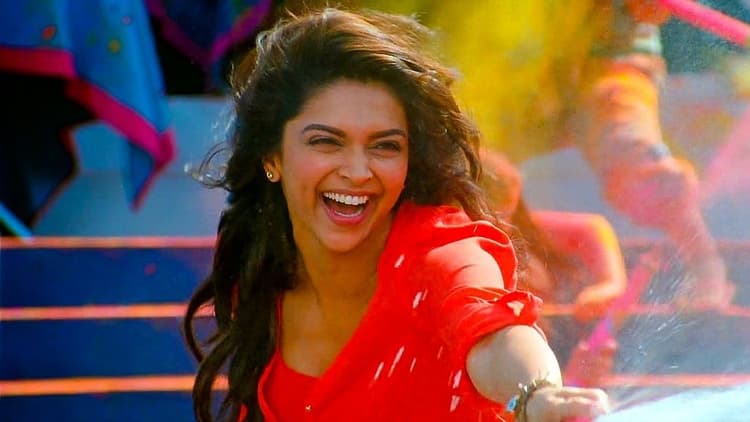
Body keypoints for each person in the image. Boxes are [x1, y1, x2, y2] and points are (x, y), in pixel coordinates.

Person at [183, 7, 610, 422]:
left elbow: (494, 333)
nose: (357, 171)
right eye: (326, 142)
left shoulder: (438, 252)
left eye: (385, 146)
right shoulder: (260, 266)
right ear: (271, 157)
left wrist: (537, 394)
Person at [344, 0, 734, 311]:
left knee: (637, 157)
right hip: (491, 53)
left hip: (602, 51)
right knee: (468, 175)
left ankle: (704, 266)